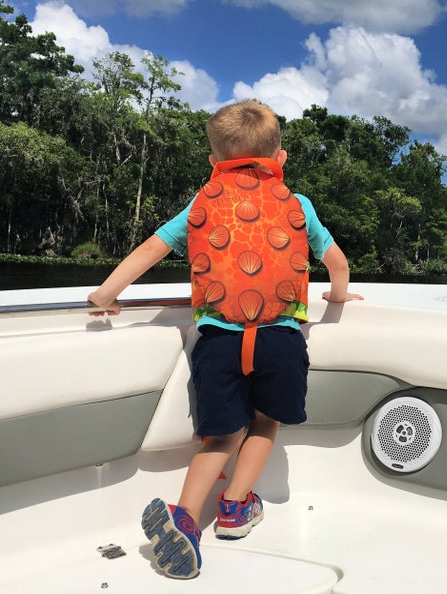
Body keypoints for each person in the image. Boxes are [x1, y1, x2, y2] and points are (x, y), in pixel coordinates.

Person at [87, 99, 363, 580]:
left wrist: (105, 294)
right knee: (265, 423)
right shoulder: (298, 205)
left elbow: (153, 248)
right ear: (280, 160)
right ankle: (235, 508)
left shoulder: (203, 202)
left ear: (215, 163)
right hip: (279, 339)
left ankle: (186, 519)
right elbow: (337, 264)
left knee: (222, 434)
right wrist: (337, 296)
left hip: (219, 341)